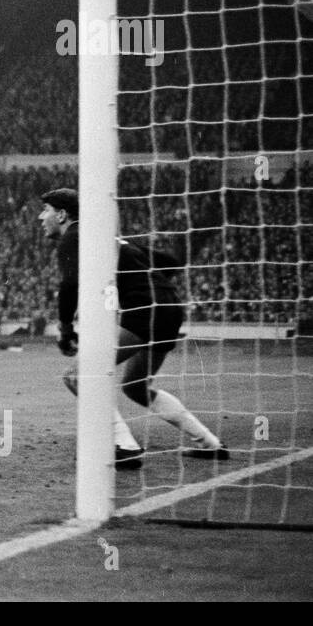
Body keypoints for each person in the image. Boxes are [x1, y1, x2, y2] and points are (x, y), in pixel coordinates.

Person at [40, 187, 228, 466]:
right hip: (170, 309)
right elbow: (171, 263)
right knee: (136, 387)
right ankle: (210, 443)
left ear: (63, 214)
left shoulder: (74, 236)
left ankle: (123, 445)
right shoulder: (110, 238)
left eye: (45, 210)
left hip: (145, 311)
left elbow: (69, 285)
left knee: (76, 375)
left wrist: (66, 328)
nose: (40, 217)